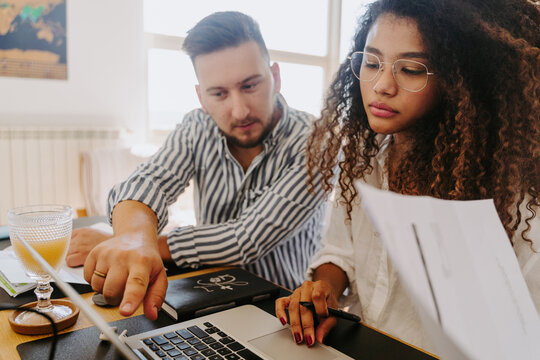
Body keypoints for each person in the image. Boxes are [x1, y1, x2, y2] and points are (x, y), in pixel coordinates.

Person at [275, 0, 540, 353]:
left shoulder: (518, 201)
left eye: (412, 70)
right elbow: (340, 251)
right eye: (371, 62)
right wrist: (324, 290)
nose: (381, 85)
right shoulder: (366, 158)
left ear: (460, 82)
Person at [66, 11, 325, 320]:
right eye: (219, 93)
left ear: (276, 78)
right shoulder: (197, 125)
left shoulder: (316, 142)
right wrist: (133, 239)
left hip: (285, 311)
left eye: (250, 86)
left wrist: (126, 241)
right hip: (207, 298)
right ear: (202, 97)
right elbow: (150, 181)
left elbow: (245, 239)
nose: (239, 110)